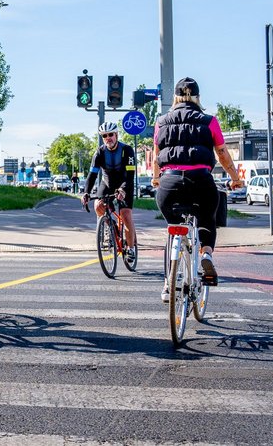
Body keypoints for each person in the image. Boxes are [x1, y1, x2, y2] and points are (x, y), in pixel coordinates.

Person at [152, 77, 243, 303]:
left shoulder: (161, 122)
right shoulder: (209, 121)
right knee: (207, 218)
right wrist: (235, 178)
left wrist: (156, 179)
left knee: (173, 228)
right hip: (201, 180)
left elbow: (156, 155)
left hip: (169, 183)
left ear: (175, 98)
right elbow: (222, 153)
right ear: (198, 98)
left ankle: (167, 284)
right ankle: (206, 254)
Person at [82, 121, 138, 260]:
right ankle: (112, 226)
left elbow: (130, 175)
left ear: (116, 135)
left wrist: (123, 189)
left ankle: (130, 249)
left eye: (111, 134)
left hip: (125, 184)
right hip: (107, 183)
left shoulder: (127, 150)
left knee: (125, 215)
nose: (108, 138)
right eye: (105, 135)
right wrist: (86, 192)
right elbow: (92, 175)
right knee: (98, 206)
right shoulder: (100, 152)